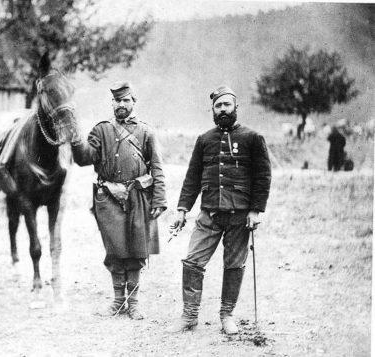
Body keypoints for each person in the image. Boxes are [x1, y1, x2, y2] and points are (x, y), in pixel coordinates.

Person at [166, 85, 271, 334]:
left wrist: (255, 210)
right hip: (209, 214)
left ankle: (227, 316)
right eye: (218, 106)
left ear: (236, 107)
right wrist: (182, 209)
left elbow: (263, 177)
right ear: (212, 110)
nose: (223, 109)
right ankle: (190, 315)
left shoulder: (252, 138)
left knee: (234, 265)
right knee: (192, 262)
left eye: (227, 105)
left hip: (240, 216)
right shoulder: (204, 140)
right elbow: (192, 178)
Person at [71, 81, 167, 320]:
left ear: (134, 102)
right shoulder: (101, 130)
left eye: (126, 100)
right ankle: (117, 301)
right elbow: (84, 159)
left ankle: (133, 303)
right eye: (117, 100)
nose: (121, 104)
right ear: (112, 103)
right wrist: (74, 139)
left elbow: (157, 167)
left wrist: (160, 200)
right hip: (109, 197)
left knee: (136, 250)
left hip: (138, 197)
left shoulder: (146, 132)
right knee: (115, 249)